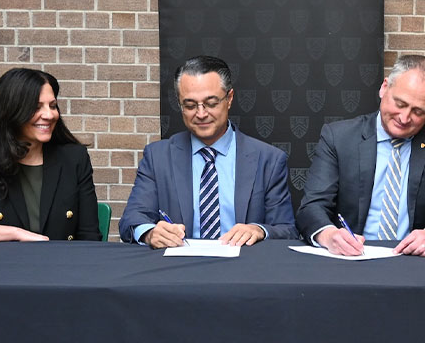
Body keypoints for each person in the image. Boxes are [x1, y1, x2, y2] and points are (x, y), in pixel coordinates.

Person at [296, 54, 425, 257]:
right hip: (349, 259)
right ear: (384, 87)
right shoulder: (339, 138)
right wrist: (329, 235)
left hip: (412, 261)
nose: (404, 118)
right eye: (400, 104)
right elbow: (311, 207)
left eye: (418, 112)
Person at [119, 55, 298, 247]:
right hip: (177, 268)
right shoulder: (158, 157)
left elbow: (286, 229)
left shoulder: (268, 159)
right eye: (190, 105)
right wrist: (150, 233)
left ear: (229, 99)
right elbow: (132, 219)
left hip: (244, 268)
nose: (201, 114)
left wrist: (259, 230)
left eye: (211, 103)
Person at [0, 68, 101, 242]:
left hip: (61, 265)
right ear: (12, 111)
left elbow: (89, 238)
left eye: (52, 106)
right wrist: (16, 233)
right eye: (36, 107)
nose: (49, 115)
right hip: (2, 265)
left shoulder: (74, 158)